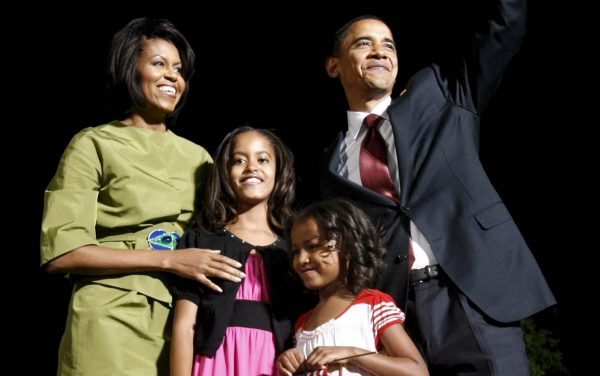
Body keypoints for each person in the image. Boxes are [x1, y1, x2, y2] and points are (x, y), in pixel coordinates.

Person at [319, 2, 556, 375]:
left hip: (469, 292)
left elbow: (503, 30)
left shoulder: (439, 95)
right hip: (397, 319)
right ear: (334, 65)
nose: (380, 51)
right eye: (364, 44)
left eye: (390, 45)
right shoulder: (331, 166)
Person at [40, 17, 245, 375]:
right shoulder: (94, 143)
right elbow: (64, 253)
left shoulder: (200, 158)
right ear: (129, 69)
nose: (173, 77)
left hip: (186, 321)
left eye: (179, 69)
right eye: (159, 64)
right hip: (111, 318)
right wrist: (169, 260)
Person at [170, 126, 313, 376]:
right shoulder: (201, 240)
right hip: (215, 365)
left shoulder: (294, 247)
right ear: (225, 172)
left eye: (262, 159)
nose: (251, 167)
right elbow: (184, 326)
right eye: (239, 160)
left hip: (275, 366)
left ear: (279, 172)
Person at [276, 198, 428, 376]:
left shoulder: (373, 305)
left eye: (313, 246)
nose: (301, 260)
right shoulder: (302, 325)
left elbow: (417, 371)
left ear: (348, 247)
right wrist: (290, 362)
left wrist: (352, 354)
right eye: (296, 251)